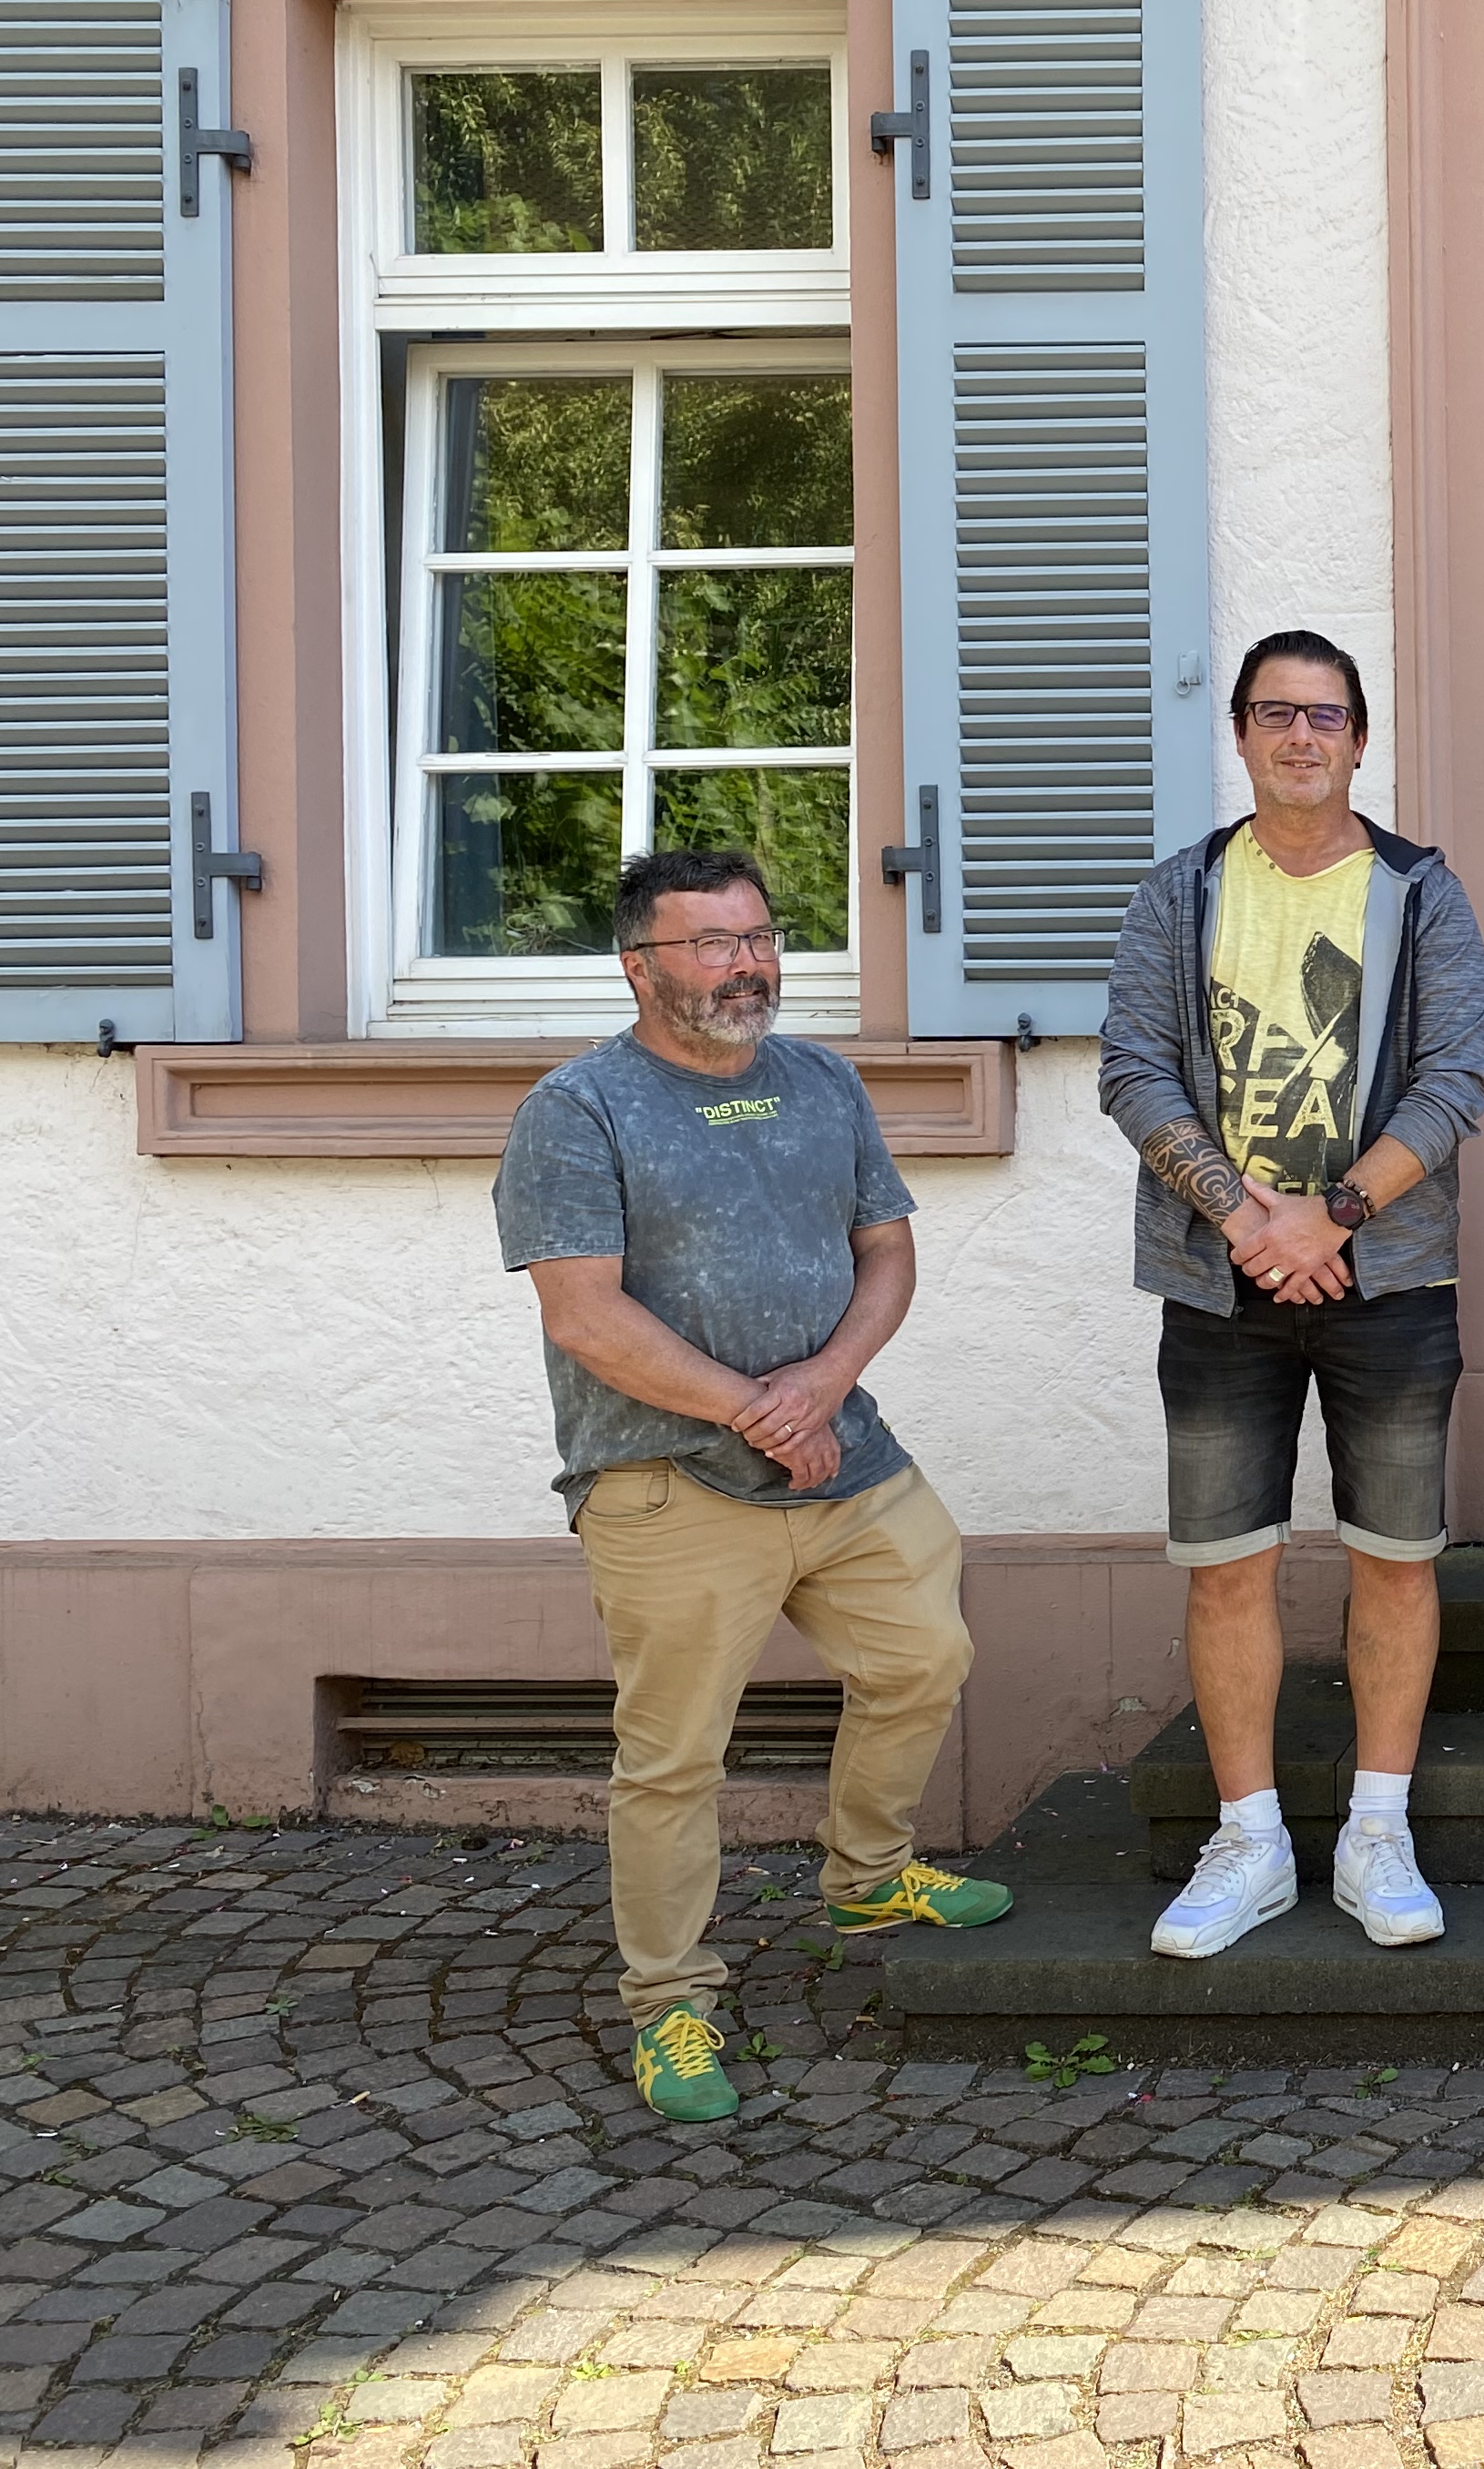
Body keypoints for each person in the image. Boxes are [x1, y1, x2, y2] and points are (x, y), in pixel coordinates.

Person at [495, 848, 1006, 2125]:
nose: (748, 965)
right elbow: (585, 1317)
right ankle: (670, 2004)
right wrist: (757, 1411)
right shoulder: (580, 1108)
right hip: (668, 1482)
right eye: (713, 944)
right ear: (641, 964)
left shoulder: (822, 1080)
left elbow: (885, 1252)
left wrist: (824, 1386)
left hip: (847, 1460)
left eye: (762, 937)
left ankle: (868, 1872)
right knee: (673, 1760)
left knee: (922, 1659)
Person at [1102, 629, 1484, 1958]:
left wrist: (1328, 1217)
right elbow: (1131, 1071)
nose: (1301, 736)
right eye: (1276, 713)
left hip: (1387, 1273)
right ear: (1243, 733)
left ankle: (1377, 1829)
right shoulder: (1183, 891)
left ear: (1361, 739)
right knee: (1228, 1568)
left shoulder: (1421, 892)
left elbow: (1454, 1084)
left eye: (1325, 716)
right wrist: (1245, 1215)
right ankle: (1251, 1838)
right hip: (1222, 1286)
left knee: (1394, 1558)